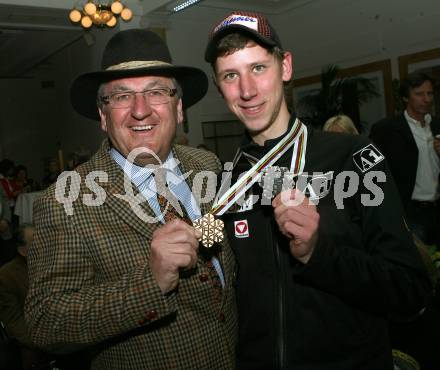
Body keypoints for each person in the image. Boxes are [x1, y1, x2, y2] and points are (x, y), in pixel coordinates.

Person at [204, 11, 431, 369]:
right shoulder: (225, 184)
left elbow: (410, 290)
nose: (246, 90)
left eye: (259, 68)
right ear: (220, 88)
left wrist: (318, 254)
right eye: (231, 75)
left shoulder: (354, 158)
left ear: (286, 67)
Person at [24, 29, 237, 370]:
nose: (141, 111)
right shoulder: (66, 201)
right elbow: (45, 322)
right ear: (103, 116)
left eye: (156, 92)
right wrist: (149, 283)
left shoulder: (206, 166)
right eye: (122, 96)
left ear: (178, 108)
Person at [370, 72, 440, 247]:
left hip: (438, 209)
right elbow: (370, 169)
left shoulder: (437, 125)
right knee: (419, 266)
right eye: (419, 93)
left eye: (430, 93)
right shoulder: (387, 130)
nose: (426, 99)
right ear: (405, 97)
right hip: (410, 213)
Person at [0, 224, 50, 370]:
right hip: (35, 346)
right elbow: (14, 322)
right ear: (23, 251)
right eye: (36, 241)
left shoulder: (54, 264)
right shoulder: (6, 276)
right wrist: (46, 342)